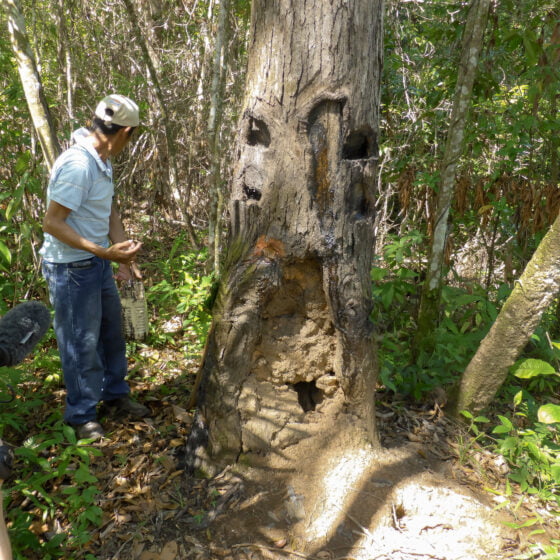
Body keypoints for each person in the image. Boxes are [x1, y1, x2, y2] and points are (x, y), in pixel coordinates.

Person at [40, 94, 150, 440]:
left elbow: (109, 208)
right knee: (80, 342)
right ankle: (81, 415)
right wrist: (105, 253)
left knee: (110, 334)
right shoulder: (79, 165)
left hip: (97, 264)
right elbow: (53, 223)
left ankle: (115, 396)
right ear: (126, 131)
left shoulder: (101, 159)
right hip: (71, 269)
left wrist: (124, 256)